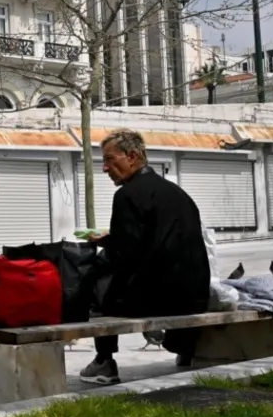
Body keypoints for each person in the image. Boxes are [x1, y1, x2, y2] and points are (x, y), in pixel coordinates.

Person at [78, 128, 211, 385]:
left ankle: (104, 361)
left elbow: (123, 255)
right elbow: (158, 243)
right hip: (195, 296)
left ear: (133, 156)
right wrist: (110, 239)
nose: (105, 168)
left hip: (159, 300)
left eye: (109, 159)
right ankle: (185, 350)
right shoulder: (176, 193)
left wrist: (96, 260)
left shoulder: (127, 195)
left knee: (94, 280)